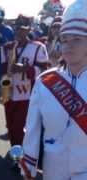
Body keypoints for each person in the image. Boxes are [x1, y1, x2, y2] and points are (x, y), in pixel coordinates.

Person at [21, 0, 87, 179]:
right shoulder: (45, 81)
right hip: (53, 169)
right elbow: (32, 128)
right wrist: (28, 167)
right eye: (64, 39)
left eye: (77, 40)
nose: (68, 45)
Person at [1, 15, 49, 147]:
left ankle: (23, 158)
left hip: (27, 94)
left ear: (29, 30)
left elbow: (44, 70)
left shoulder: (38, 47)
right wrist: (2, 89)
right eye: (17, 28)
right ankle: (15, 156)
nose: (19, 32)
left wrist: (26, 70)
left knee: (20, 128)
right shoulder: (7, 47)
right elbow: (3, 70)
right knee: (11, 127)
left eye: (23, 29)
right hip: (10, 94)